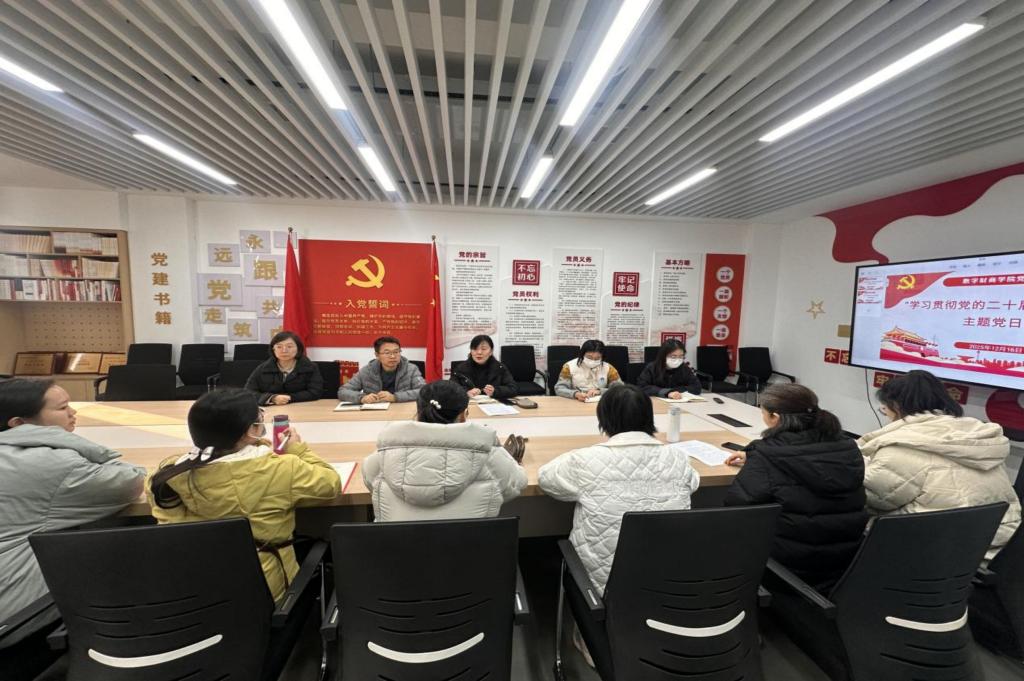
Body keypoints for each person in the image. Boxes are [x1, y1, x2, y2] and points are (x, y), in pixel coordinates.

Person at [0, 379, 146, 681]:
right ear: (19, 425)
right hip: (18, 622)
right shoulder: (48, 461)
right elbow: (129, 481)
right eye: (63, 408)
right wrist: (72, 442)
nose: (73, 413)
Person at [147, 389, 340, 602]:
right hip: (267, 595)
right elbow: (331, 483)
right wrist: (298, 450)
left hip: (194, 596)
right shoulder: (281, 468)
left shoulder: (165, 477)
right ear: (250, 431)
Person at [539, 384, 700, 593]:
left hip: (602, 589)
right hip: (670, 583)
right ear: (649, 418)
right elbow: (693, 482)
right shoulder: (678, 458)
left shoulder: (584, 460)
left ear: (603, 419)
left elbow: (546, 478)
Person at [859, 370, 1021, 561]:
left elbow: (875, 498)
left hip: (938, 554)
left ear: (896, 406)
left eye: (885, 410)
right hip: (998, 549)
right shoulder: (977, 437)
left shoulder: (902, 445)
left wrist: (860, 463)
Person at [723, 383, 867, 592]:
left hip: (787, 568)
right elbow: (806, 458)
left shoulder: (767, 456)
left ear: (775, 417)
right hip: (845, 564)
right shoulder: (848, 447)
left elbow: (736, 509)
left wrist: (759, 459)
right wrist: (755, 454)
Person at [362, 380, 527, 521]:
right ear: (463, 415)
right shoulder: (489, 454)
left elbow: (370, 482)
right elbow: (518, 484)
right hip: (471, 547)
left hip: (398, 548)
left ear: (419, 412)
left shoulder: (384, 455)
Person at [338, 336, 425, 404]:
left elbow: (424, 391)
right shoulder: (367, 371)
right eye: (387, 353)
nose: (392, 356)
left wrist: (395, 397)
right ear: (377, 355)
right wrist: (362, 398)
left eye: (396, 352)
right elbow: (343, 391)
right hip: (375, 412)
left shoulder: (411, 369)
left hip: (402, 409)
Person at [244, 330, 323, 405]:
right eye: (279, 347)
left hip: (301, 408)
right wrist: (272, 398)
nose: (284, 350)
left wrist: (289, 398)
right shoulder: (263, 369)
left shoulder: (310, 367)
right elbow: (248, 392)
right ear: (273, 349)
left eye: (289, 346)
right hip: (271, 409)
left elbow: (315, 392)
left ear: (298, 348)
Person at [451, 334, 518, 400]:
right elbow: (451, 389)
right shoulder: (460, 369)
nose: (479, 352)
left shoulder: (500, 368)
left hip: (493, 404)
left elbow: (513, 389)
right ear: (471, 351)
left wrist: (495, 391)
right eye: (475, 349)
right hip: (469, 404)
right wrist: (466, 392)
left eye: (483, 349)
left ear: (491, 352)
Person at [554, 339, 623, 401]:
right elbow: (559, 388)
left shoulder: (609, 368)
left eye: (597, 358)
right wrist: (575, 394)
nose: (593, 360)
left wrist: (600, 391)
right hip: (576, 401)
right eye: (589, 357)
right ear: (582, 354)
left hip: (601, 402)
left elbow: (620, 389)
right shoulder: (569, 367)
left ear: (602, 357)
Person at [636, 338, 702, 398]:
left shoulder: (684, 368)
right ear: (663, 356)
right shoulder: (652, 368)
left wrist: (675, 391)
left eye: (681, 356)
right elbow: (642, 387)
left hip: (680, 402)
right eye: (673, 356)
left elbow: (696, 387)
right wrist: (667, 392)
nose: (677, 360)